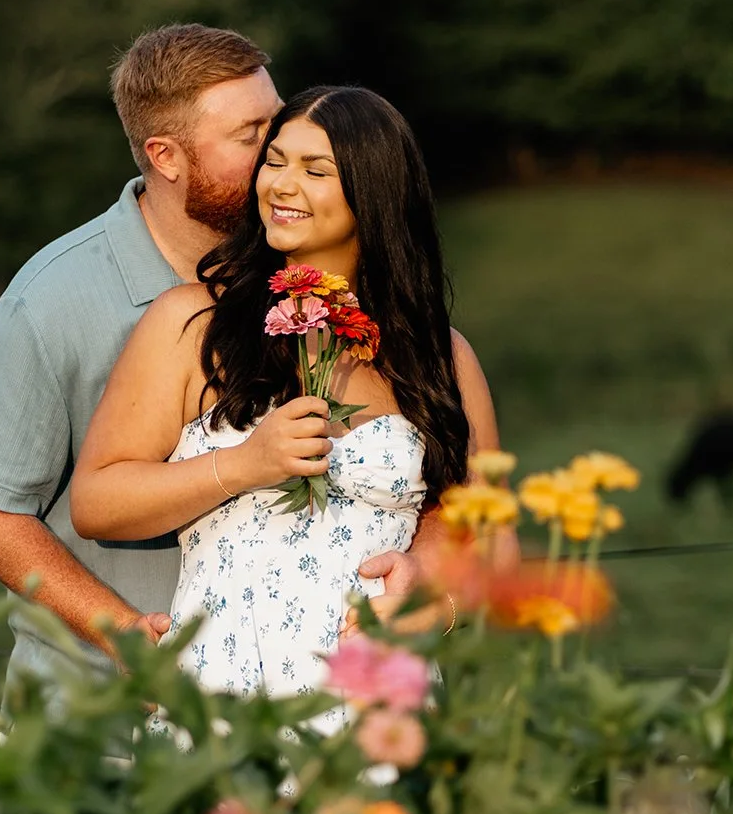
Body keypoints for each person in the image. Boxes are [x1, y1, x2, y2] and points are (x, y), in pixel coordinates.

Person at [68, 85, 501, 699]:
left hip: (376, 700)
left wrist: (436, 600)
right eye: (274, 161)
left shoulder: (442, 357)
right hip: (228, 692)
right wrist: (243, 465)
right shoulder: (192, 324)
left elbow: (489, 533)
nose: (280, 184)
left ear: (374, 191)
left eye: (314, 169)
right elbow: (96, 501)